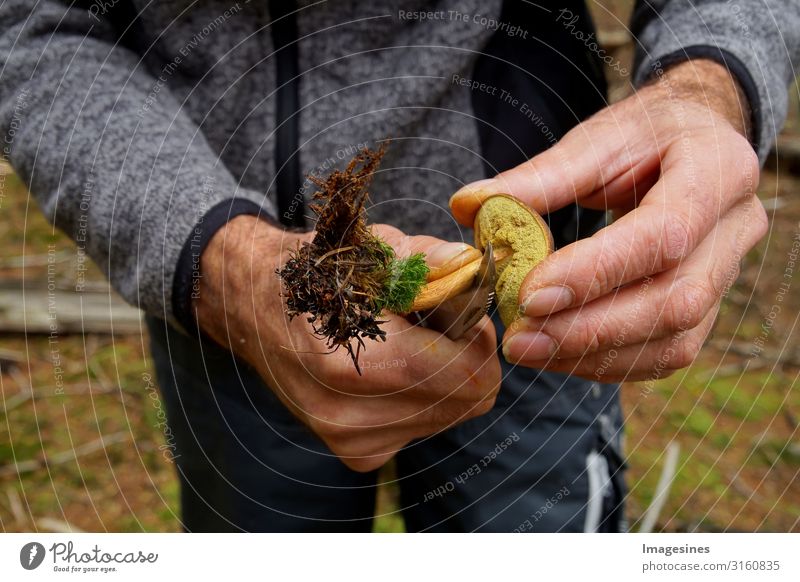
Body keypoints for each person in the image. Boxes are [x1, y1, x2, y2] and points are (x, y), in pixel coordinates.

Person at [0, 0, 797, 532]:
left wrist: (709, 87)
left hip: (543, 303)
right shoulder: (226, 279)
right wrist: (221, 261)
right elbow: (32, 24)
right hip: (225, 291)